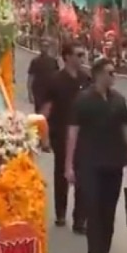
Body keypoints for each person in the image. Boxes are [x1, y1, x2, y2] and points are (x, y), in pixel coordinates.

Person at [64, 58, 127, 253]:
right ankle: (95, 252)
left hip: (114, 164)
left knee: (108, 212)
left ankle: (103, 251)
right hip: (90, 164)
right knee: (94, 210)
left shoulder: (118, 100)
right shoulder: (83, 100)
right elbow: (73, 132)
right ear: (98, 74)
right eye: (110, 73)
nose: (114, 76)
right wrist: (68, 165)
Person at [41, 41, 91, 233]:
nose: (82, 58)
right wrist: (43, 135)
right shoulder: (55, 80)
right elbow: (46, 109)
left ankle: (80, 219)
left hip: (83, 135)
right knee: (62, 174)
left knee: (83, 176)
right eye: (78, 54)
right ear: (67, 57)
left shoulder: (86, 79)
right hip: (60, 133)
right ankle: (60, 212)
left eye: (83, 55)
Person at [27, 38, 60, 112]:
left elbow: (57, 76)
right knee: (39, 112)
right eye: (42, 46)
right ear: (40, 47)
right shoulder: (35, 61)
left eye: (46, 46)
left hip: (49, 91)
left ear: (48, 48)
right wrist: (30, 93)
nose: (44, 48)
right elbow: (31, 77)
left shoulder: (53, 61)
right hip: (38, 91)